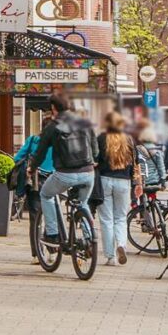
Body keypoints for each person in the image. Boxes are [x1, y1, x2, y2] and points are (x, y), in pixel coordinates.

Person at [31, 94, 98, 249]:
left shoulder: (53, 126)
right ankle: (89, 239)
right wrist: (94, 160)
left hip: (65, 174)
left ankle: (53, 234)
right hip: (88, 173)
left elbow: (40, 152)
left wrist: (32, 168)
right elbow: (94, 145)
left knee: (46, 194)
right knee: (83, 203)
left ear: (54, 108)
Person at [95, 110, 135, 266]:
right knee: (120, 218)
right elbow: (134, 162)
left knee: (106, 219)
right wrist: (135, 183)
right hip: (123, 181)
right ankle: (121, 244)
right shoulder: (128, 140)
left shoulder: (101, 138)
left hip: (105, 180)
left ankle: (110, 257)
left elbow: (95, 160)